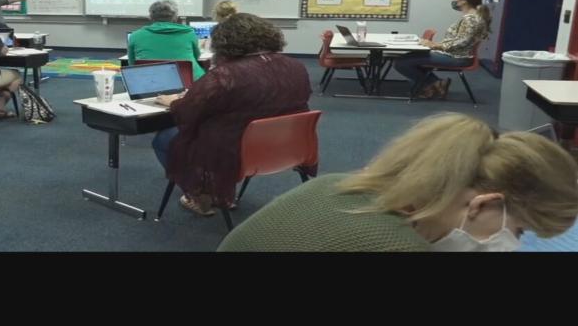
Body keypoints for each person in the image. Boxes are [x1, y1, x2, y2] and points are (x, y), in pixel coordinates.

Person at [218, 113, 578, 252]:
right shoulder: (398, 249)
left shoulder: (335, 184)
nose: (513, 245)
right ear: (482, 204)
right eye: (517, 231)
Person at [151, 13, 311, 215]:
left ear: (225, 42)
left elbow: (189, 110)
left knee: (165, 138)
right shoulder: (296, 66)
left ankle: (201, 196)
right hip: (285, 146)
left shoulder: (227, 75)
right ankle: (220, 190)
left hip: (234, 150)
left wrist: (173, 101)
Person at [394, 0, 491, 99]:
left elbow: (463, 41)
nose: (454, 1)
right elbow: (458, 39)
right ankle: (435, 84)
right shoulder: (471, 17)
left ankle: (431, 84)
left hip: (458, 58)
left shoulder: (471, 19)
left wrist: (437, 45)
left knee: (401, 62)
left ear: (464, 1)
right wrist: (435, 45)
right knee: (409, 58)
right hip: (455, 54)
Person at [127, 0, 205, 80]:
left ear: (150, 17)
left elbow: (132, 64)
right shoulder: (189, 33)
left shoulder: (135, 35)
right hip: (189, 81)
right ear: (175, 17)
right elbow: (196, 56)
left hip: (150, 82)